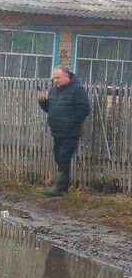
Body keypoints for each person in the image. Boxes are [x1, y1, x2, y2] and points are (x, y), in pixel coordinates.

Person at [36, 66, 90, 196]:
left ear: (66, 76)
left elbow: (84, 109)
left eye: (58, 77)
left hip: (70, 132)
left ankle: (60, 188)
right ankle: (62, 188)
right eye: (54, 78)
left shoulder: (77, 90)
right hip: (57, 131)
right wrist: (43, 102)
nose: (55, 80)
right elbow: (50, 108)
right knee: (58, 157)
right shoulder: (54, 91)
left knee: (64, 157)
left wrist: (70, 123)